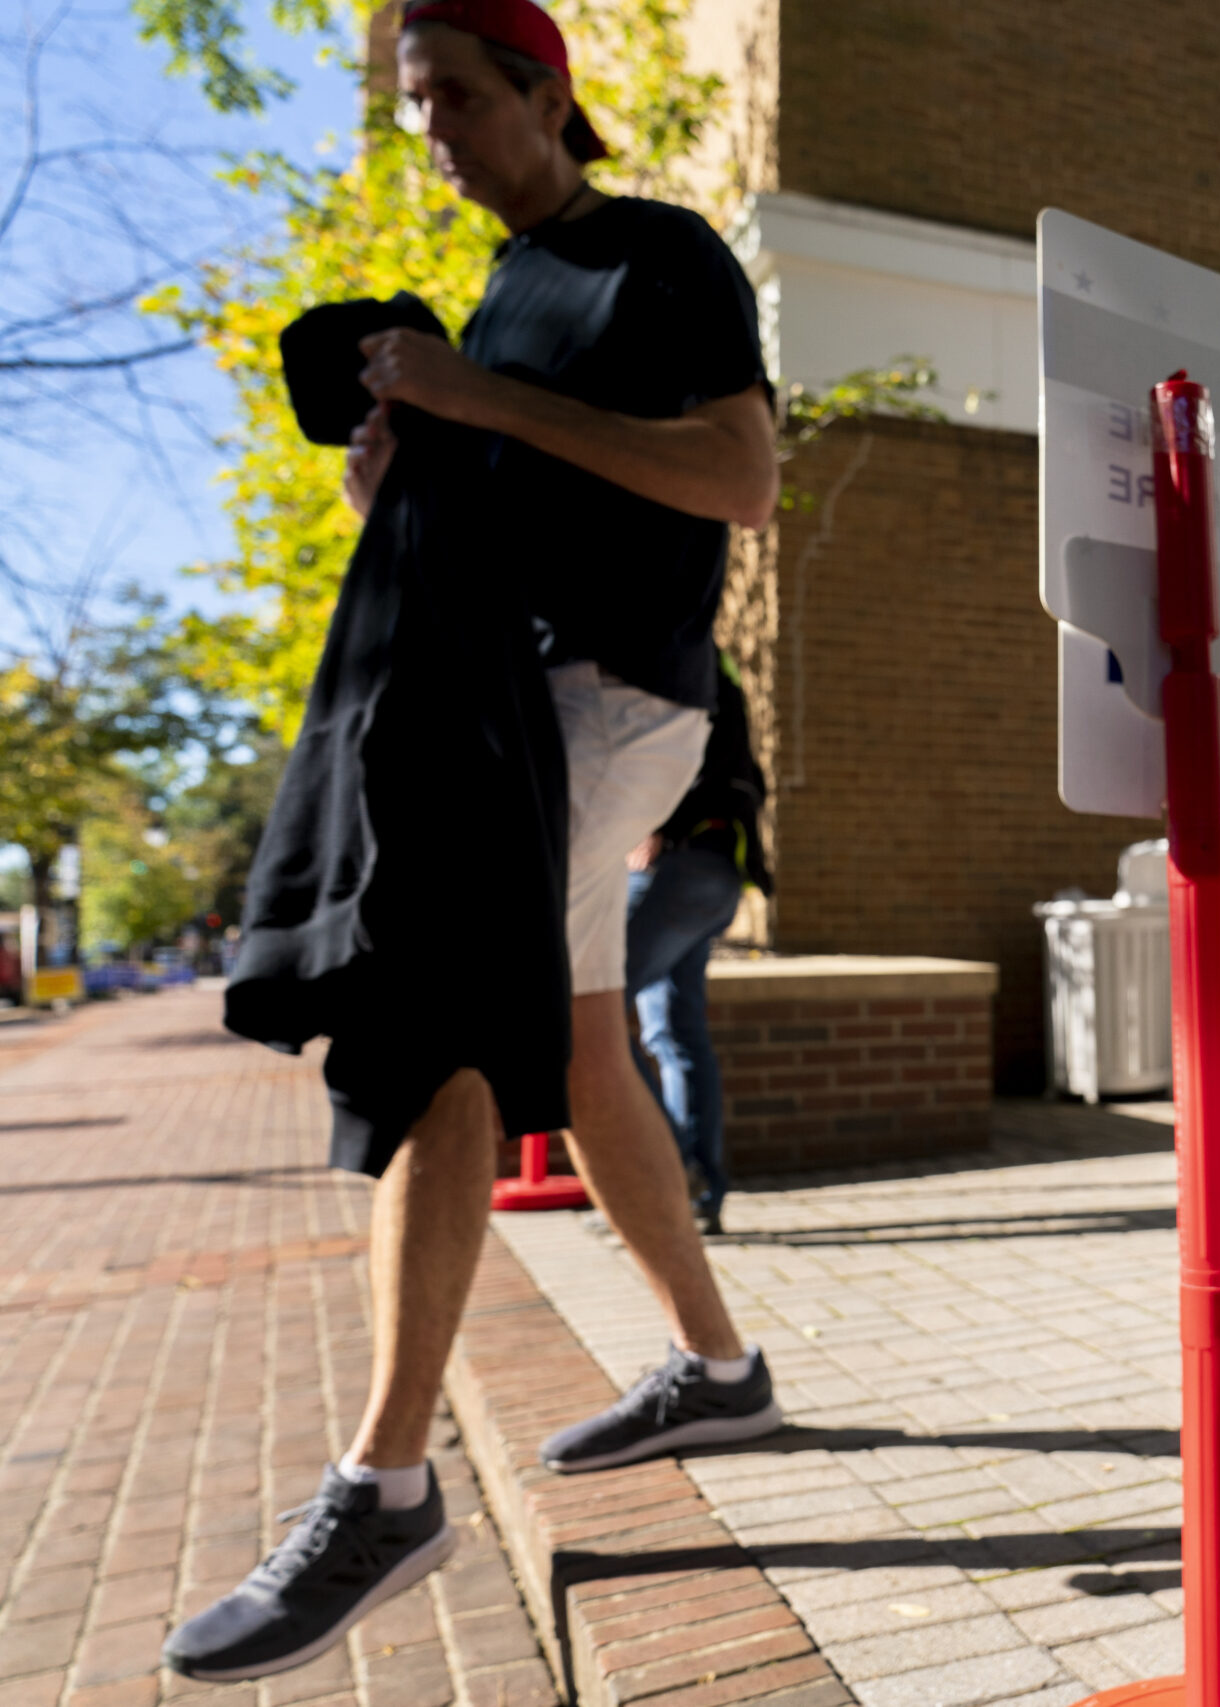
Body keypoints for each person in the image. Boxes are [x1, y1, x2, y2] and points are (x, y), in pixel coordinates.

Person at [167, 0, 785, 1682]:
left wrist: (476, 397)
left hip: (608, 706)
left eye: (447, 94)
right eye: (410, 100)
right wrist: (407, 490)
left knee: (436, 1005)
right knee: (582, 1058)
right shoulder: (504, 296)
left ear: (544, 89)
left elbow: (739, 477)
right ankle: (720, 1370)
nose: (427, 127)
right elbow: (527, 516)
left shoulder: (651, 254)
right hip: (519, 698)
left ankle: (382, 1483)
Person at [626, 654, 772, 1236]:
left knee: (586, 1017)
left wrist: (649, 818)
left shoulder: (669, 647)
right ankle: (696, 1194)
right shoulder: (716, 663)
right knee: (675, 1030)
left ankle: (670, 1174)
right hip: (716, 867)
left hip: (674, 864)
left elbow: (656, 743)